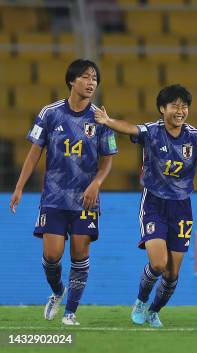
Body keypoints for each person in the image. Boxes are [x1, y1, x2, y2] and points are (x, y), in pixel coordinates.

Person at [94, 84, 197, 328]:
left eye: (184, 106)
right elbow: (130, 128)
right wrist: (107, 120)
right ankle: (140, 301)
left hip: (182, 207)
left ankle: (153, 311)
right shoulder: (151, 131)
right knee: (158, 264)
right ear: (162, 108)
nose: (180, 111)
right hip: (154, 203)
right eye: (174, 106)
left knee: (171, 274)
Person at [9, 59, 117, 326]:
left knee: (80, 255)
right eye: (85, 77)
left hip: (85, 200)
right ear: (71, 80)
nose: (91, 82)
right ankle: (57, 292)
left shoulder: (99, 118)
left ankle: (70, 313)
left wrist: (97, 183)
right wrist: (20, 187)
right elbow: (35, 152)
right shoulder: (50, 113)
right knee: (52, 256)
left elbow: (108, 158)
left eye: (95, 78)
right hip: (54, 198)